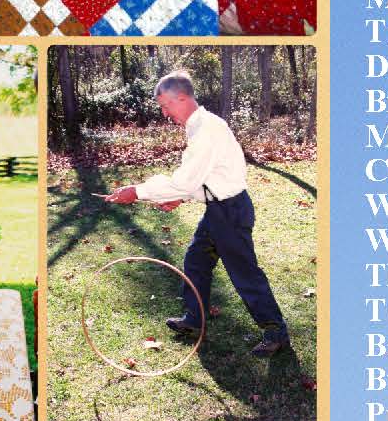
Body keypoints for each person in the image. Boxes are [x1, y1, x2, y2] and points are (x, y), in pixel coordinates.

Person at [105, 69, 289, 356]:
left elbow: (185, 180)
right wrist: (183, 198)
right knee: (196, 262)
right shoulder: (200, 126)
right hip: (218, 209)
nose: (165, 113)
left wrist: (137, 191)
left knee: (245, 275)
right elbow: (207, 176)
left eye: (166, 105)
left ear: (182, 98)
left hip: (229, 212)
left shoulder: (207, 131)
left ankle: (275, 331)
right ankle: (195, 318)